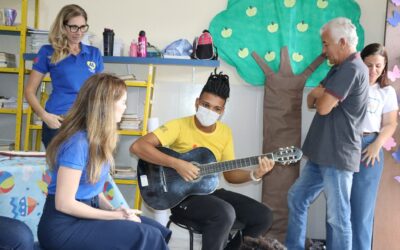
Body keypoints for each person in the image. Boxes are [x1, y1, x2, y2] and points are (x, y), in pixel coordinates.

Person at [130, 71, 275, 250]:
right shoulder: (179, 125)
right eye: (206, 105)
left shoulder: (225, 133)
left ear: (222, 111)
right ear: (197, 102)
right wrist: (177, 164)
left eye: (216, 108)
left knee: (264, 215)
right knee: (224, 213)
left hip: (210, 192)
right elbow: (138, 147)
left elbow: (230, 174)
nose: (210, 111)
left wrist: (254, 174)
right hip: (180, 197)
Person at [37, 73, 171, 250]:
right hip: (62, 228)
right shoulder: (77, 144)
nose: (125, 108)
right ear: (106, 105)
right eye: (123, 102)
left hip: (84, 216)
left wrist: (115, 211)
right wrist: (116, 217)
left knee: (157, 230)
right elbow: (64, 204)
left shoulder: (96, 141)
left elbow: (94, 192)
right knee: (147, 235)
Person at [285, 17, 369, 250]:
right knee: (297, 198)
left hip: (337, 155)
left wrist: (321, 95)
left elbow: (321, 105)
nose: (323, 51)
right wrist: (320, 95)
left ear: (342, 42)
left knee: (339, 218)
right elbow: (312, 99)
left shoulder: (352, 67)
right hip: (322, 153)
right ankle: (293, 247)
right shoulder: (340, 67)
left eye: (325, 44)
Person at [25, 4, 104, 148]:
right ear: (63, 26)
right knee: (56, 169)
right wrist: (44, 116)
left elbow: (100, 92)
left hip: (86, 122)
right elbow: (29, 91)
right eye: (73, 27)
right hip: (58, 121)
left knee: (84, 168)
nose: (78, 32)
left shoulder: (94, 54)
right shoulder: (48, 52)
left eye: (82, 27)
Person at [351, 43, 398, 250]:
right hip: (345, 145)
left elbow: (391, 124)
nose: (373, 71)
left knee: (362, 213)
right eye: (368, 65)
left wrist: (376, 145)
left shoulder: (386, 91)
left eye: (378, 66)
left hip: (370, 148)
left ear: (385, 65)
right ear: (360, 62)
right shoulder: (350, 83)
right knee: (339, 210)